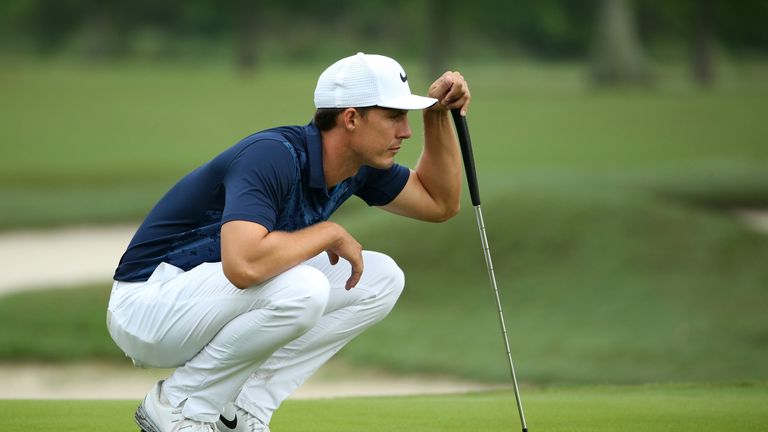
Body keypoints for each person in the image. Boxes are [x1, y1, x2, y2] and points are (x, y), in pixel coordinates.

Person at [108, 52, 470, 432]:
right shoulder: (273, 155)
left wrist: (438, 116)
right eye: (394, 117)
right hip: (147, 305)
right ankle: (178, 405)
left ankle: (243, 411)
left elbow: (439, 202)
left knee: (381, 279)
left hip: (201, 302)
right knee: (304, 288)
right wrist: (327, 233)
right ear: (350, 118)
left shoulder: (359, 167)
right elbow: (244, 265)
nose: (405, 131)